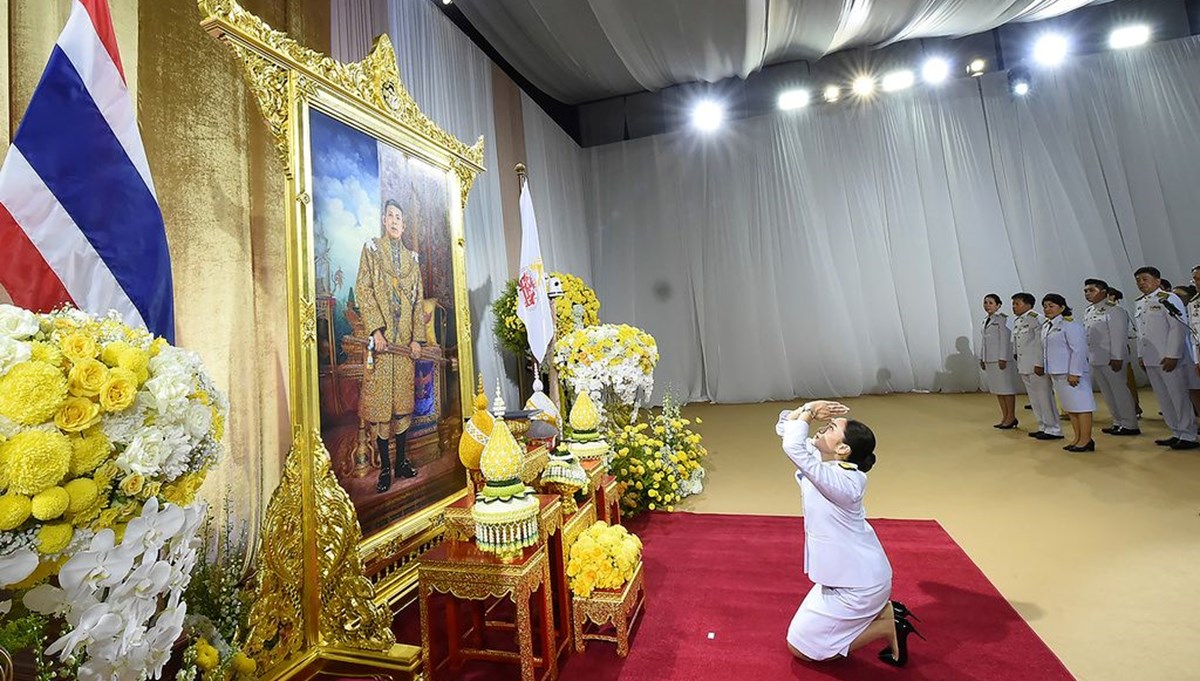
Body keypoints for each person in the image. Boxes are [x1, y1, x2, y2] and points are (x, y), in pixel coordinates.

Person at [777, 400, 922, 667]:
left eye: (830, 427)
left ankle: (888, 626)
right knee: (800, 637)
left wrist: (809, 413)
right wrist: (809, 408)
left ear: (843, 449)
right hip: (843, 577)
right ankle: (885, 610)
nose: (821, 428)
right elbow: (786, 429)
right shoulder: (828, 467)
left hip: (859, 585)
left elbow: (793, 446)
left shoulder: (846, 481)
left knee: (802, 648)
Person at [356, 199, 427, 492]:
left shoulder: (412, 260)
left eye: (399, 217)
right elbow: (363, 288)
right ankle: (385, 468)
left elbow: (418, 298)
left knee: (402, 407)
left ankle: (402, 462)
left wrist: (416, 339)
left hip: (404, 348)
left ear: (404, 224)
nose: (395, 221)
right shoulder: (372, 250)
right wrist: (376, 330)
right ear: (384, 220)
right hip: (383, 347)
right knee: (383, 408)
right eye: (391, 216)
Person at [1133, 267, 1198, 450]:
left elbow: (1178, 327)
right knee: (1164, 398)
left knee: (1178, 396)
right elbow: (1141, 332)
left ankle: (1188, 434)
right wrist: (1140, 355)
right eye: (1138, 280)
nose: (1141, 283)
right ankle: (1176, 431)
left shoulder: (1169, 299)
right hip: (1151, 358)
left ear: (1157, 281)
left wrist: (1173, 355)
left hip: (1168, 358)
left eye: (1145, 279)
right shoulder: (1140, 303)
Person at [1082, 279, 1140, 436]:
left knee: (1120, 390)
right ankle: (1117, 421)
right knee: (1107, 393)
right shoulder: (1089, 311)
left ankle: (1130, 424)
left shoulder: (1115, 310)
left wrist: (1117, 357)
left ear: (1103, 292)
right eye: (1086, 291)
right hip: (1096, 358)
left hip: (1111, 358)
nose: (1087, 293)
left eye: (1091, 290)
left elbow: (1118, 336)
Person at [1041, 294, 1095, 451]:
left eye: (1051, 306)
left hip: (1071, 372)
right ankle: (1077, 438)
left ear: (1062, 307)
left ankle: (1086, 440)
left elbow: (1078, 350)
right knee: (1071, 407)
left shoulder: (1069, 325)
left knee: (1082, 406)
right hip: (1058, 372)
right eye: (1045, 306)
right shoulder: (1047, 325)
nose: (1047, 309)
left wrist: (1075, 372)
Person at [1012, 293, 1062, 440]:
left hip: (1036, 365)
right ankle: (1043, 425)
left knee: (1044, 397)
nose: (1014, 307)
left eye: (1017, 303)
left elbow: (1041, 344)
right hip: (1024, 365)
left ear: (1028, 304)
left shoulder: (1036, 319)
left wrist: (1039, 363)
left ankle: (1053, 428)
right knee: (1034, 398)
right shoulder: (1018, 321)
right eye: (1013, 304)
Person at [978, 294, 1018, 429]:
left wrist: (1003, 357)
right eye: (985, 303)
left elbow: (1005, 339)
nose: (987, 305)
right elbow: (984, 342)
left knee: (1006, 389)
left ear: (998, 305)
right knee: (998, 390)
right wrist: (982, 358)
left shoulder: (1002, 319)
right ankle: (1005, 416)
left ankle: (1011, 416)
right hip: (990, 359)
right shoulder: (985, 320)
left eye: (990, 303)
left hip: (1000, 360)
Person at [1109, 288, 1142, 418]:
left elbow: (1131, 330)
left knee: (1127, 380)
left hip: (1120, 347)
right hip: (1105, 351)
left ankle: (1134, 407)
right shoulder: (1095, 311)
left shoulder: (1119, 310)